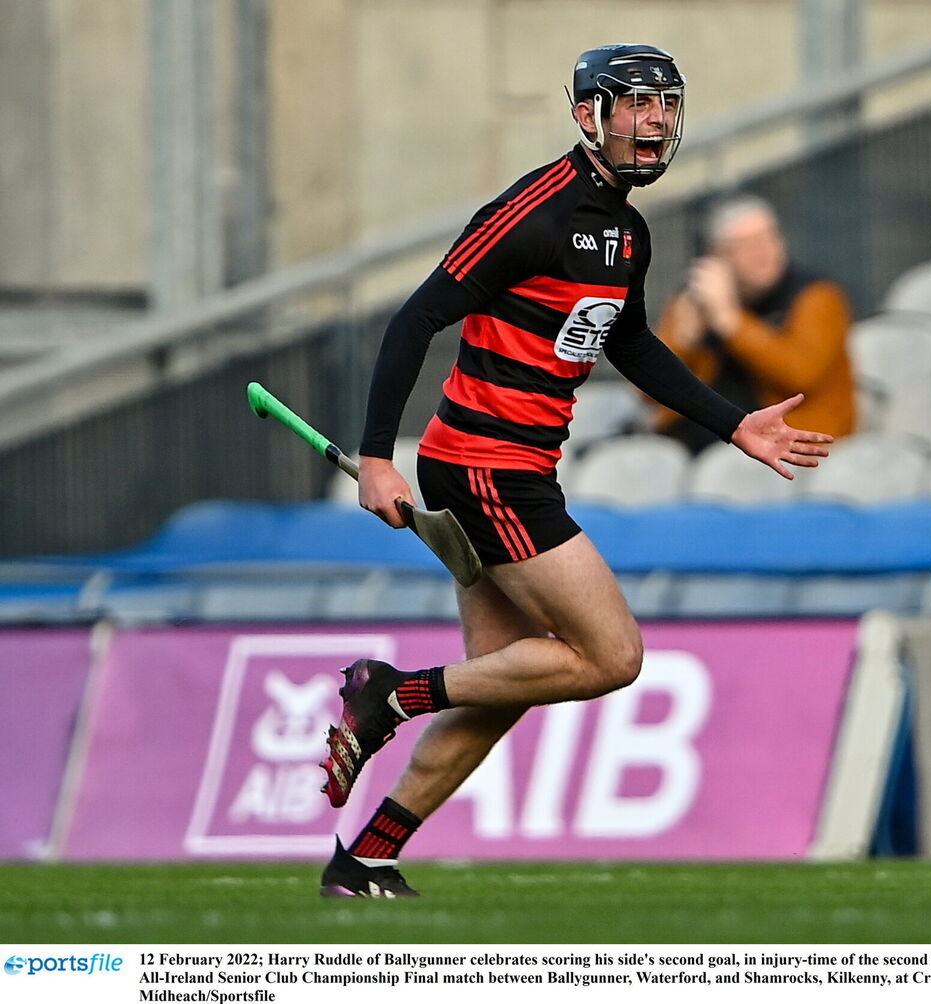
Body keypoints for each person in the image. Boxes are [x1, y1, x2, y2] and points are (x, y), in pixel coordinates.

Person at [317, 44, 834, 898]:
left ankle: (366, 856)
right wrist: (377, 455)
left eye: (666, 105)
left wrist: (734, 423)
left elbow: (628, 342)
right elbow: (417, 318)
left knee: (503, 683)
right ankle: (389, 694)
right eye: (635, 104)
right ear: (587, 114)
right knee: (613, 655)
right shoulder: (535, 209)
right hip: (487, 468)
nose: (656, 121)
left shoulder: (626, 229)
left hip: (514, 471)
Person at [651, 193, 857, 453]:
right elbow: (648, 394)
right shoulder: (695, 299)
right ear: (717, 255)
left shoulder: (817, 296)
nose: (763, 252)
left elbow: (800, 375)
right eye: (746, 245)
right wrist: (685, 341)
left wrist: (730, 321)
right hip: (696, 442)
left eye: (769, 237)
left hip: (788, 445)